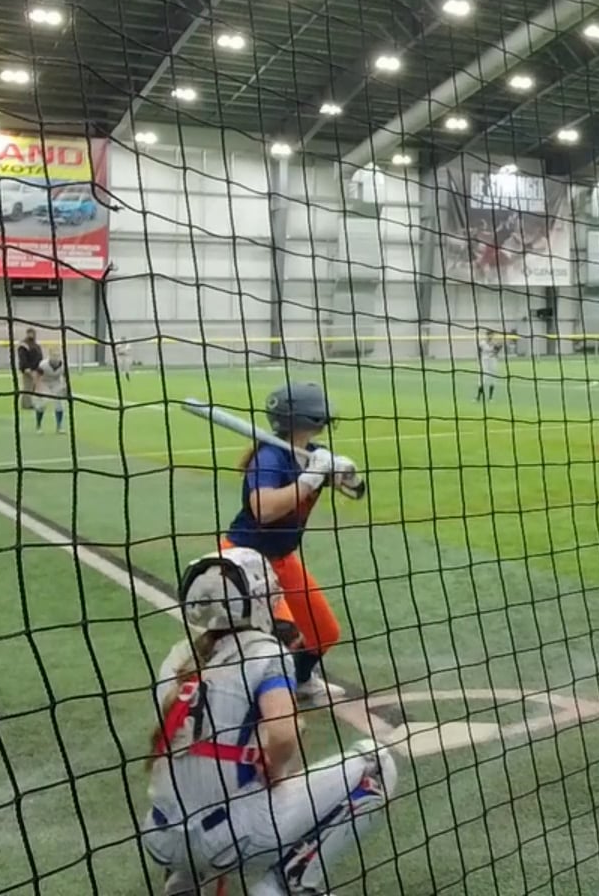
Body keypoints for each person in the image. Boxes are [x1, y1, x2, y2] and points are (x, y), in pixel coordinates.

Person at [143, 546, 398, 896]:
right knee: (377, 765)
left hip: (160, 835)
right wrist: (274, 771)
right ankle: (284, 886)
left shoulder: (176, 658)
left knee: (204, 759)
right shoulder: (266, 652)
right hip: (228, 839)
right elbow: (283, 732)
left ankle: (184, 881)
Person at [224, 383, 357, 702]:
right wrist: (310, 479)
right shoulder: (269, 457)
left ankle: (299, 680)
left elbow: (356, 492)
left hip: (281, 559)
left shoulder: (313, 454)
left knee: (323, 632)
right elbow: (264, 509)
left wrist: (349, 475)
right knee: (280, 637)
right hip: (245, 560)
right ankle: (255, 699)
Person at [34, 351, 69, 434]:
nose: (55, 358)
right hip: (44, 383)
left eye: (57, 356)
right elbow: (37, 376)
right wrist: (38, 388)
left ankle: (59, 427)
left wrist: (65, 388)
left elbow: (65, 377)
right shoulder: (43, 365)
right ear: (50, 356)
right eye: (53, 355)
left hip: (56, 383)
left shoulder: (63, 365)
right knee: (42, 404)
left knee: (59, 404)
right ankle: (38, 425)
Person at [15, 328, 43, 410]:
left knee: (33, 387)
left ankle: (30, 402)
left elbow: (39, 357)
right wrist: (26, 368)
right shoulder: (24, 345)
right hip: (28, 369)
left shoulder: (35, 344)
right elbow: (22, 357)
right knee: (28, 386)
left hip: (36, 369)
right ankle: (26, 404)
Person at [475, 330, 503, 403]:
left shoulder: (495, 343)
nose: (490, 336)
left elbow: (498, 350)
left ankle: (490, 398)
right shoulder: (482, 343)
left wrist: (497, 351)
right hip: (484, 362)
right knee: (483, 379)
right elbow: (479, 352)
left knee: (493, 379)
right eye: (489, 335)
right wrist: (479, 361)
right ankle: (478, 397)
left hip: (493, 362)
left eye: (492, 335)